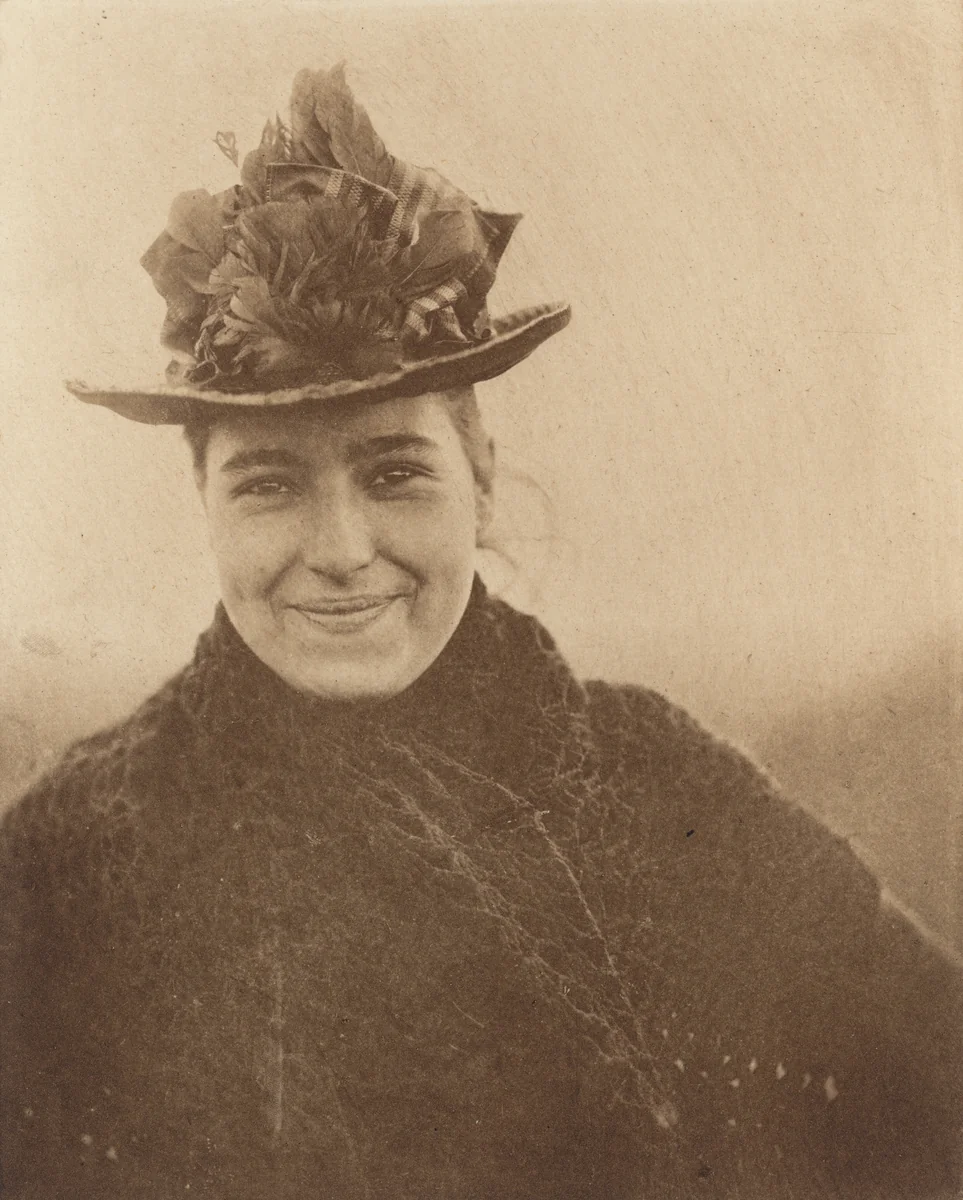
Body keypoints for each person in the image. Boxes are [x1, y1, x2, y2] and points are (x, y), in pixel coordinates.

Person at [1, 62, 960, 1200]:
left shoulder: (665, 790)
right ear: (202, 502)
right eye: (269, 485)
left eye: (394, 473)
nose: (342, 548)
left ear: (482, 479)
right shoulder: (62, 871)